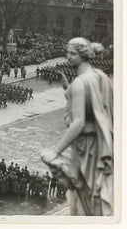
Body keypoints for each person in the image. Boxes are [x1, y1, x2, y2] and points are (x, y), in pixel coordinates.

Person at [41, 38, 113, 216]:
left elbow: (78, 122)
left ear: (83, 55)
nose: (68, 57)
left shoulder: (81, 83)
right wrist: (68, 87)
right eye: (67, 53)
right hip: (99, 144)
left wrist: (56, 151)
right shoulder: (100, 76)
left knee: (82, 195)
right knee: (94, 192)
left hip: (85, 147)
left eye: (72, 53)